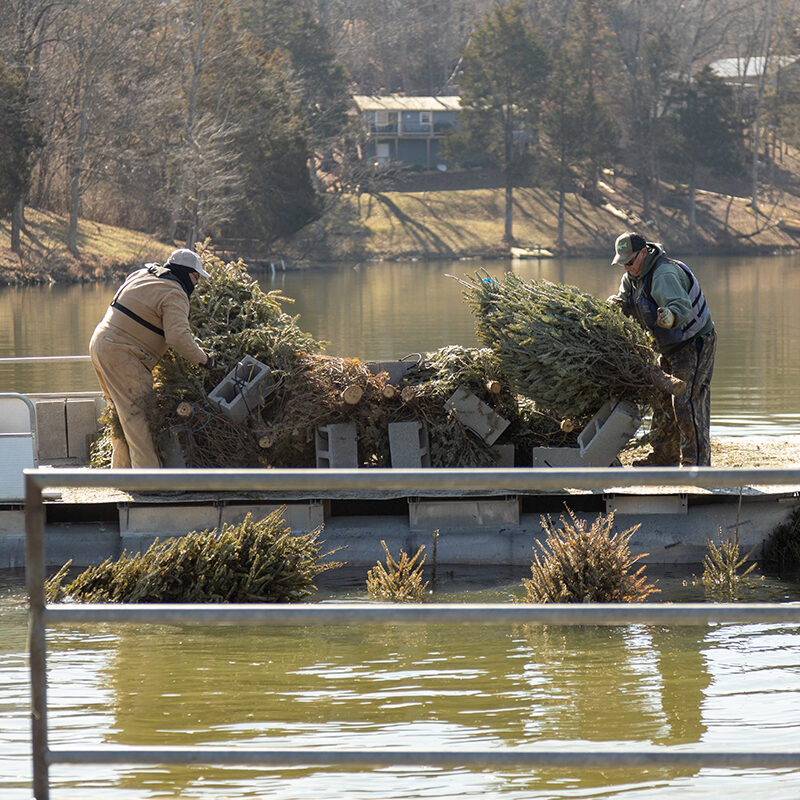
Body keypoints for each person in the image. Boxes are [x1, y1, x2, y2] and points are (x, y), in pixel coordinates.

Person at [89, 248, 212, 468]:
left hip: (100, 343)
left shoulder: (142, 275)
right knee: (140, 419)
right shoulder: (175, 293)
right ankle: (149, 483)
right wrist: (203, 359)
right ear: (185, 273)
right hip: (124, 355)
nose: (197, 284)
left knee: (120, 415)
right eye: (196, 277)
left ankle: (121, 472)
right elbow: (178, 337)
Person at [607, 232, 716, 467]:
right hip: (666, 346)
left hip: (693, 342)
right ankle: (664, 456)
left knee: (687, 402)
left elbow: (681, 307)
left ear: (644, 253)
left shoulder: (664, 274)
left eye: (630, 261)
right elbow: (625, 301)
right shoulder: (633, 277)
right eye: (623, 262)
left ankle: (696, 466)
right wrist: (613, 307)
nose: (626, 267)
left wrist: (670, 316)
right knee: (661, 400)